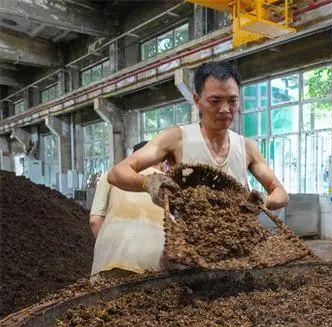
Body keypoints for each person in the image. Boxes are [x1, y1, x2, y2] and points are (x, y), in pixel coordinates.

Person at [107, 61, 288, 211]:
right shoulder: (177, 139)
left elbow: (280, 193)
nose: (225, 109)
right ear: (197, 101)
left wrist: (265, 201)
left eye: (232, 101)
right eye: (215, 101)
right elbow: (117, 173)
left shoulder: (246, 147)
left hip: (239, 246)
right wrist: (148, 184)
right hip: (190, 247)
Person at [89, 141, 167, 280]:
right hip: (154, 259)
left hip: (110, 260)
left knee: (102, 300)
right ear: (161, 162)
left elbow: (94, 221)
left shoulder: (110, 176)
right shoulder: (168, 183)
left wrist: (108, 248)